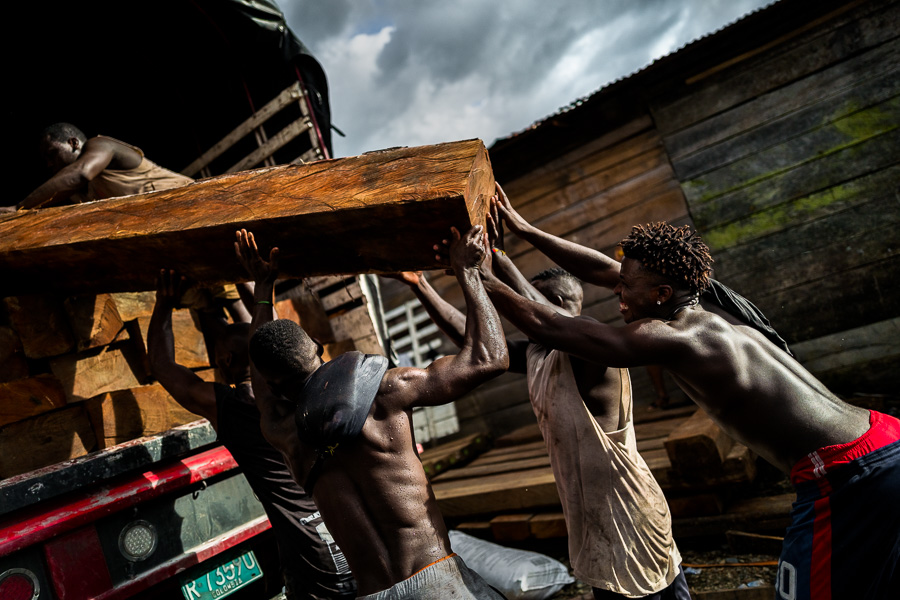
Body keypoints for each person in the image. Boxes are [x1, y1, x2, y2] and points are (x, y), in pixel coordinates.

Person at [478, 207, 900, 599]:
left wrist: (476, 274)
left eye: (625, 289)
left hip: (845, 473)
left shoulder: (675, 336)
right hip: (883, 436)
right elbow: (601, 269)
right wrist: (522, 229)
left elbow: (555, 328)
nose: (618, 296)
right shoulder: (709, 302)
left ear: (661, 294)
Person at [394, 192, 688, 599]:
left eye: (533, 303)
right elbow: (475, 338)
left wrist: (478, 272)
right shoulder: (538, 352)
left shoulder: (591, 352)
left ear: (562, 306)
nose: (519, 309)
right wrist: (422, 283)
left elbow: (541, 315)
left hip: (629, 515)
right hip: (593, 520)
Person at [234, 225, 509, 599]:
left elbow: (262, 378)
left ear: (271, 384)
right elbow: (490, 358)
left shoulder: (283, 431)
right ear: (316, 344)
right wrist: (468, 271)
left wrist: (261, 288)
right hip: (434, 583)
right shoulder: (386, 391)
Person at [147, 269, 357, 600]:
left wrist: (164, 303)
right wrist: (249, 282)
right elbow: (273, 336)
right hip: (348, 536)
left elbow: (161, 365)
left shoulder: (232, 408)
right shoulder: (301, 392)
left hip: (313, 557)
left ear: (227, 361)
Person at [15, 122, 195, 210]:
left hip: (196, 201)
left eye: (52, 153)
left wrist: (19, 208)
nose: (49, 163)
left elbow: (80, 174)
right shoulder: (77, 196)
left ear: (73, 143)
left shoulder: (100, 145)